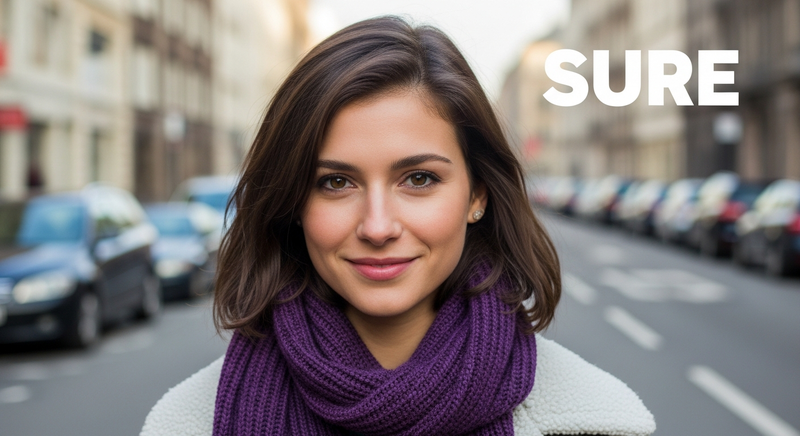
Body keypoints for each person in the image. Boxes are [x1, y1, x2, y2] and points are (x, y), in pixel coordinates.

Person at [141, 16, 655, 436]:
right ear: (292, 201)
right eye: (336, 183)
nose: (378, 226)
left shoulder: (597, 421)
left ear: (476, 194)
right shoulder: (184, 425)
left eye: (419, 178)